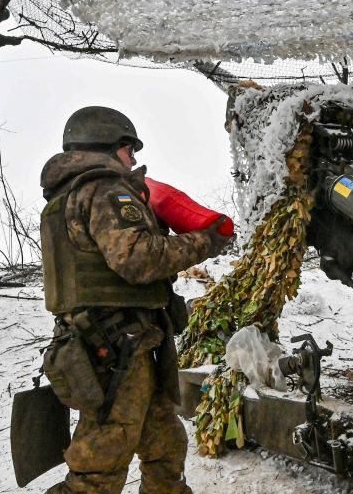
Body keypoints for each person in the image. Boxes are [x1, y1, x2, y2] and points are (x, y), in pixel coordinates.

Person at [39, 106, 232, 494]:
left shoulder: (67, 196)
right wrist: (205, 241)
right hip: (115, 346)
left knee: (164, 443)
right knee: (101, 459)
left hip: (120, 341)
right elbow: (138, 259)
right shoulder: (106, 189)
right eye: (130, 150)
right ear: (111, 145)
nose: (134, 159)